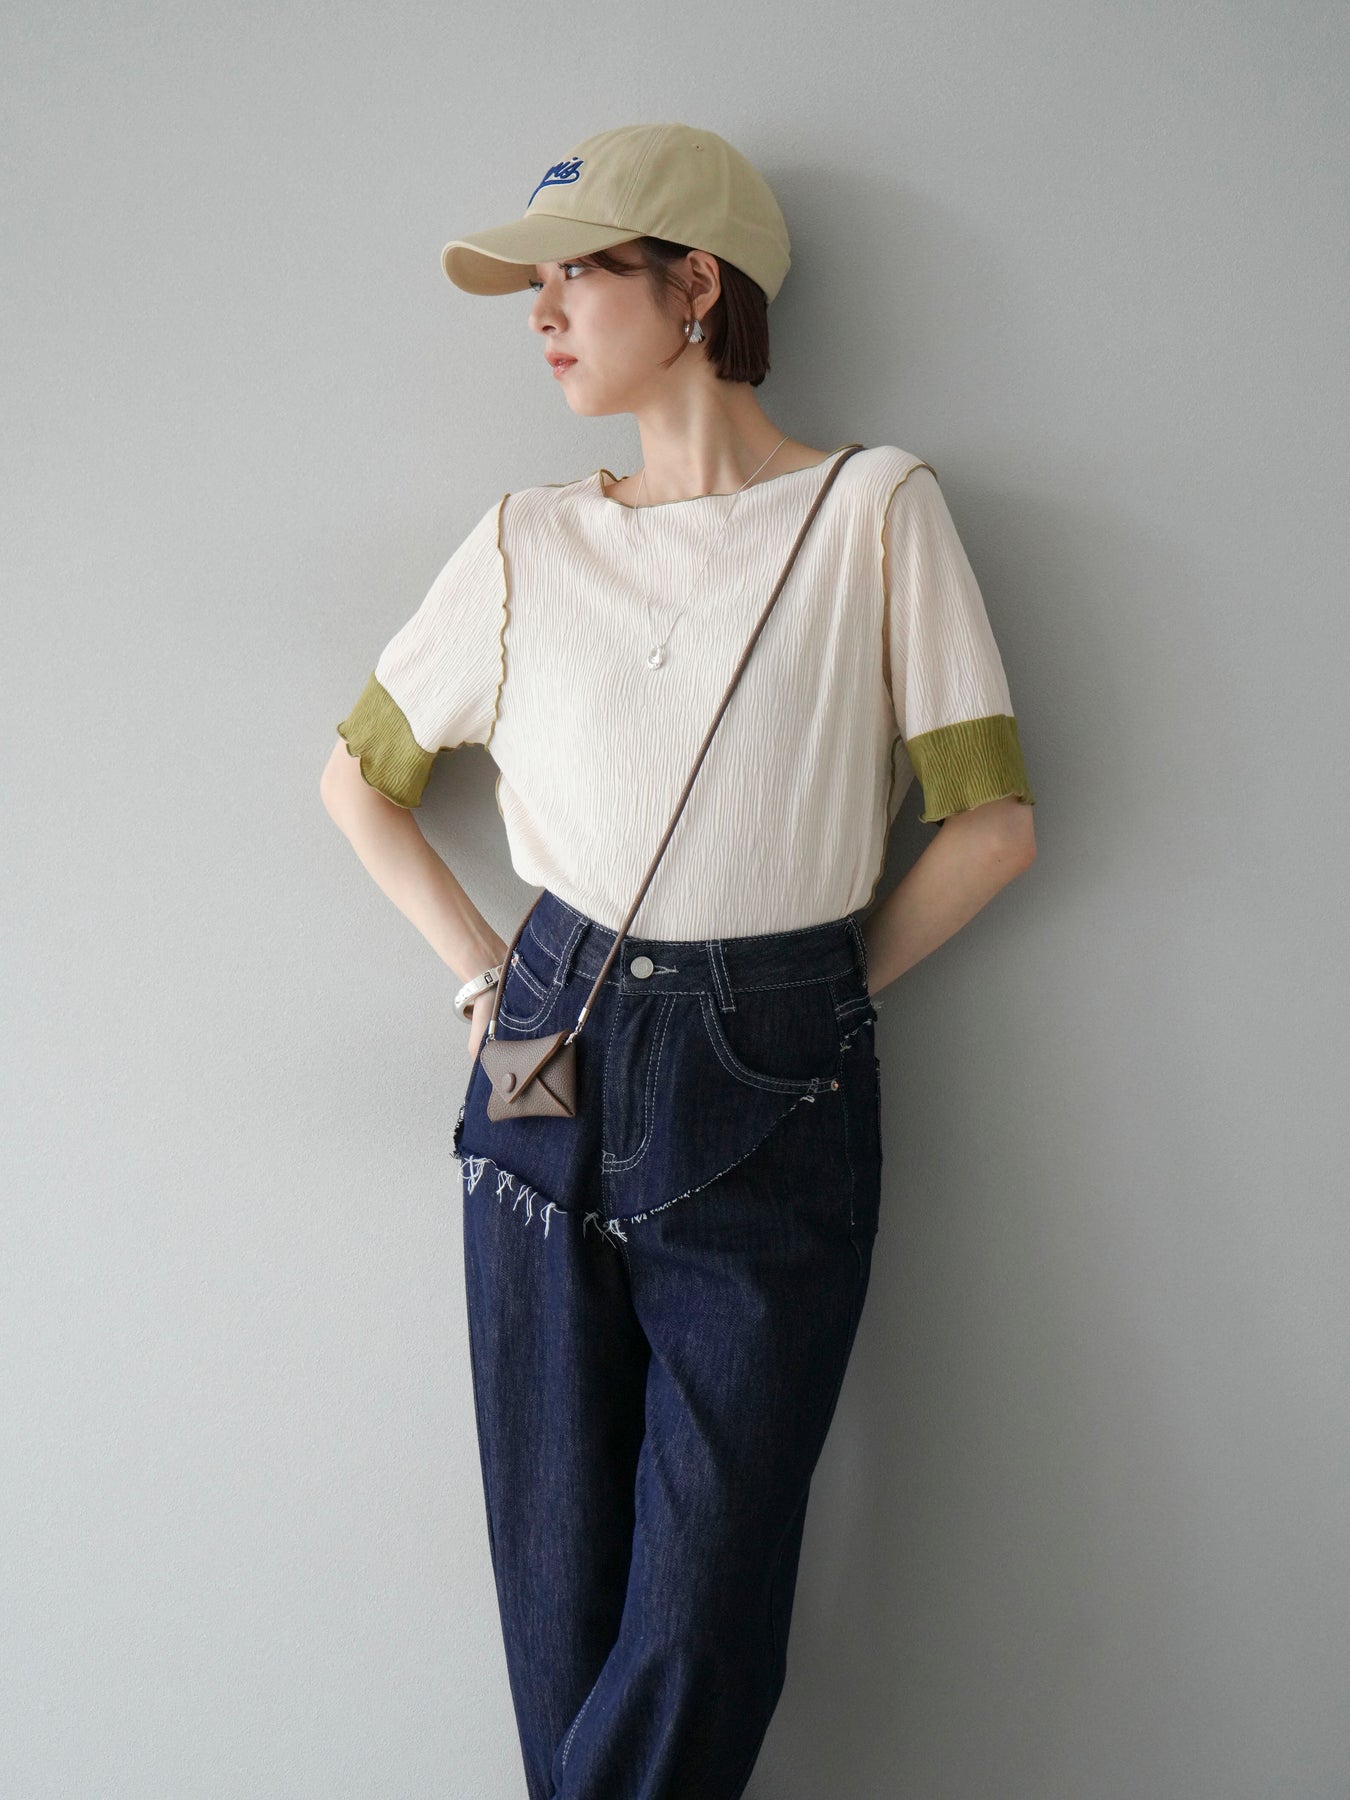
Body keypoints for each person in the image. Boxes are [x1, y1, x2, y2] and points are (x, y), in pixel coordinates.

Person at [321, 122, 1036, 1800]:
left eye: (577, 273)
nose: (541, 315)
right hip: (543, 1039)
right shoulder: (523, 540)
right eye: (536, 285)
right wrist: (481, 976)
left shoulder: (873, 510)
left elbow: (991, 826)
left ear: (695, 284)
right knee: (555, 1567)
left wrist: (807, 1003)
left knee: (705, 1589)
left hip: (770, 1061)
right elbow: (357, 781)